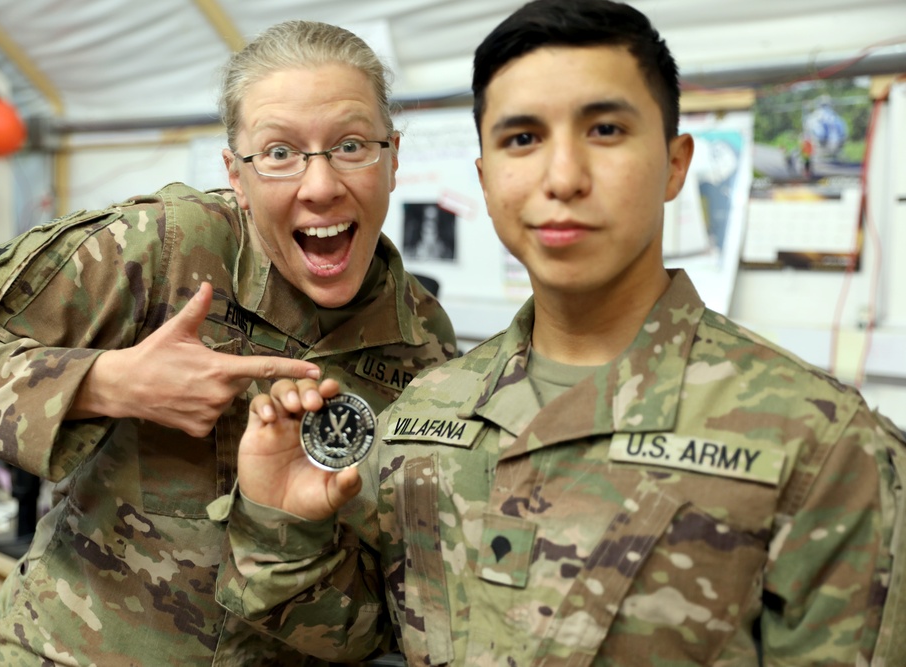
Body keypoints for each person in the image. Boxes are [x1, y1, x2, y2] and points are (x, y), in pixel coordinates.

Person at [215, 1, 906, 665]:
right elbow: (360, 632)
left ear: (674, 163)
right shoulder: (424, 415)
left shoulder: (823, 446)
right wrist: (286, 525)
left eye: (605, 130)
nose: (564, 176)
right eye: (523, 139)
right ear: (485, 180)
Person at [0, 19, 456, 667]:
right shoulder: (164, 247)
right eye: (279, 152)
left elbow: (385, 617)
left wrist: (284, 531)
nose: (320, 185)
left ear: (393, 158)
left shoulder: (426, 350)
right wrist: (106, 383)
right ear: (236, 175)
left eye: (352, 145)